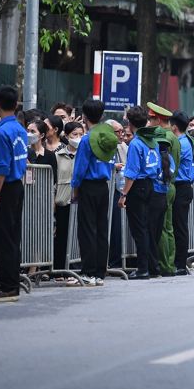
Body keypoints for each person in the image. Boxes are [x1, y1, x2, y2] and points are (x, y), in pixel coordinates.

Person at [68, 100, 118, 287]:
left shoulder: (87, 140)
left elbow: (79, 169)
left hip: (88, 186)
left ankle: (88, 272)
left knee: (87, 229)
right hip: (104, 186)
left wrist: (75, 190)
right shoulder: (110, 136)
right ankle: (99, 272)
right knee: (101, 229)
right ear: (102, 115)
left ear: (85, 117)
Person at [0, 85, 28, 302]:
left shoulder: (1, 131)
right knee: (12, 237)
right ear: (17, 105)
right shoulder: (20, 129)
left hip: (6, 188)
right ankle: (11, 284)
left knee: (3, 239)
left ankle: (7, 287)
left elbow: (2, 165)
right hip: (17, 186)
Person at [118, 106, 158, 279]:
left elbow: (132, 171)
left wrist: (123, 194)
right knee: (145, 228)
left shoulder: (135, 143)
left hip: (138, 187)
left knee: (138, 229)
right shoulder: (152, 141)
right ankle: (151, 266)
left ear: (129, 122)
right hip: (150, 184)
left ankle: (142, 268)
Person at [146, 103, 181, 277]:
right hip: (170, 184)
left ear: (157, 120)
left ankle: (164, 265)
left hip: (161, 186)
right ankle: (169, 264)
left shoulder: (162, 137)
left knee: (161, 230)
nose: (149, 123)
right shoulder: (173, 136)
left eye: (151, 119)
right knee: (168, 229)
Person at [170, 111, 194, 275]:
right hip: (181, 186)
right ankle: (177, 262)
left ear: (173, 127)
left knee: (179, 227)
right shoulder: (184, 141)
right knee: (177, 226)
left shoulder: (181, 144)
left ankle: (180, 264)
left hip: (182, 187)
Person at [54, 122, 83, 276]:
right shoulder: (58, 156)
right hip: (63, 200)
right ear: (66, 136)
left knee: (81, 235)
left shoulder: (86, 154)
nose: (78, 138)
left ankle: (78, 268)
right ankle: (60, 270)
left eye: (80, 134)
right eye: (74, 134)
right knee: (62, 236)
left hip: (82, 202)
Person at [148, 129, 175, 277]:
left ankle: (153, 267)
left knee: (150, 236)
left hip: (153, 198)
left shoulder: (153, 157)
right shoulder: (169, 159)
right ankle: (155, 267)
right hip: (163, 198)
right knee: (157, 235)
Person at [107, 120, 128, 269]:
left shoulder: (123, 147)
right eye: (118, 131)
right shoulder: (103, 146)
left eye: (122, 131)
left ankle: (116, 261)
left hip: (119, 191)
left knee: (117, 228)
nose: (121, 135)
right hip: (105, 190)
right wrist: (112, 166)